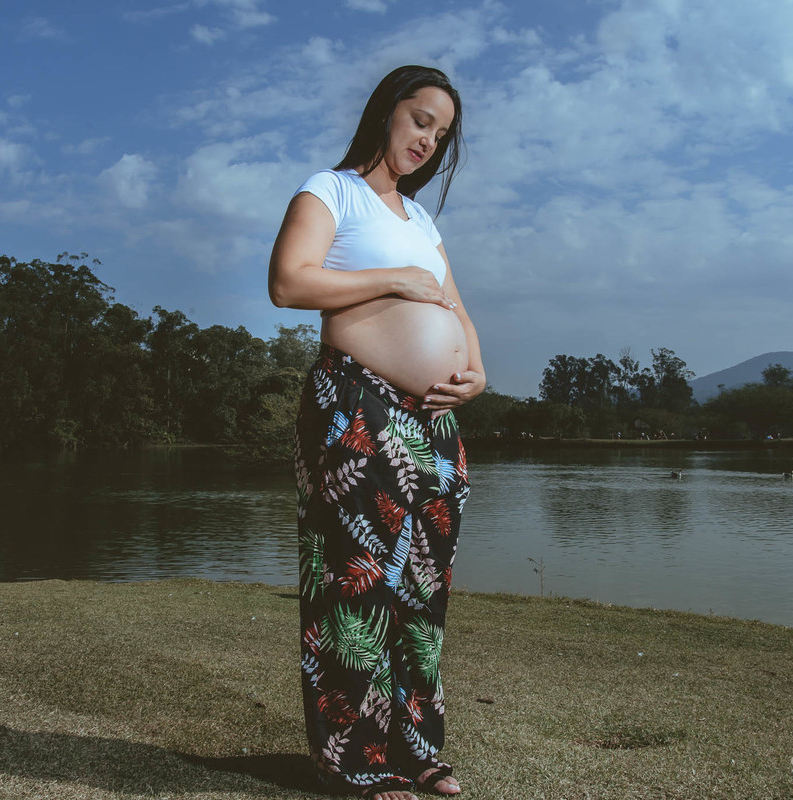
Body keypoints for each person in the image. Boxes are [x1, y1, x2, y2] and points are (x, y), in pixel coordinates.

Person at [268, 65, 485, 800]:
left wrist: (475, 371)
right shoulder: (329, 191)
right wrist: (392, 279)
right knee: (357, 583)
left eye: (442, 133)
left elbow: (456, 307)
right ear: (387, 112)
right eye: (421, 119)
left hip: (435, 419)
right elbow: (290, 282)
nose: (428, 139)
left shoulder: (423, 222)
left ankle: (417, 746)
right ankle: (352, 757)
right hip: (356, 403)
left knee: (425, 587)